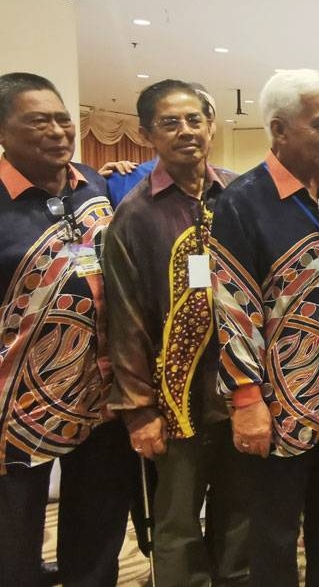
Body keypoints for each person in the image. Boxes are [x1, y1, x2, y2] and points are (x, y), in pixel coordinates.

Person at [211, 69, 319, 587]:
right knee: (276, 534)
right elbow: (232, 308)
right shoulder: (243, 201)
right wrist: (246, 400)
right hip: (278, 406)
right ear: (279, 130)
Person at [103, 79, 250, 586]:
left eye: (195, 119)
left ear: (212, 124)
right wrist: (139, 411)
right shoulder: (135, 215)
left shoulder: (239, 195)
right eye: (170, 122)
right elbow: (125, 320)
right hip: (174, 400)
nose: (186, 131)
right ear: (147, 134)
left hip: (240, 392)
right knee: (177, 525)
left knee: (240, 516)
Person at [0, 72, 135, 587]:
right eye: (39, 121)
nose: (58, 131)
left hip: (102, 399)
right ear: (4, 131)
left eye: (63, 119)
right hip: (16, 408)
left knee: (98, 529)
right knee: (14, 542)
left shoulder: (93, 185)